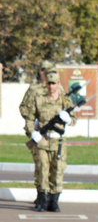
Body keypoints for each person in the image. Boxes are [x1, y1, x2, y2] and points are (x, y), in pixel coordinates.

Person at [25, 69, 76, 212]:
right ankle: (42, 200)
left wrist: (68, 119)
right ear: (46, 84)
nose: (52, 86)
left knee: (58, 171)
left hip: (58, 142)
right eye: (49, 83)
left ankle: (54, 201)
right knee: (42, 170)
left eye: (54, 83)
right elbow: (29, 119)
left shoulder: (65, 100)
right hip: (42, 141)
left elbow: (74, 120)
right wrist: (32, 133)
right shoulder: (38, 99)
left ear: (59, 83)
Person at [19, 61, 53, 207]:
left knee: (54, 167)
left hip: (55, 135)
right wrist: (33, 121)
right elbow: (23, 108)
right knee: (41, 165)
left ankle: (52, 198)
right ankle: (41, 195)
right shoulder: (34, 89)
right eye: (43, 71)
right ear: (40, 72)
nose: (46, 74)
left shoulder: (59, 88)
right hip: (39, 133)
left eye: (49, 71)